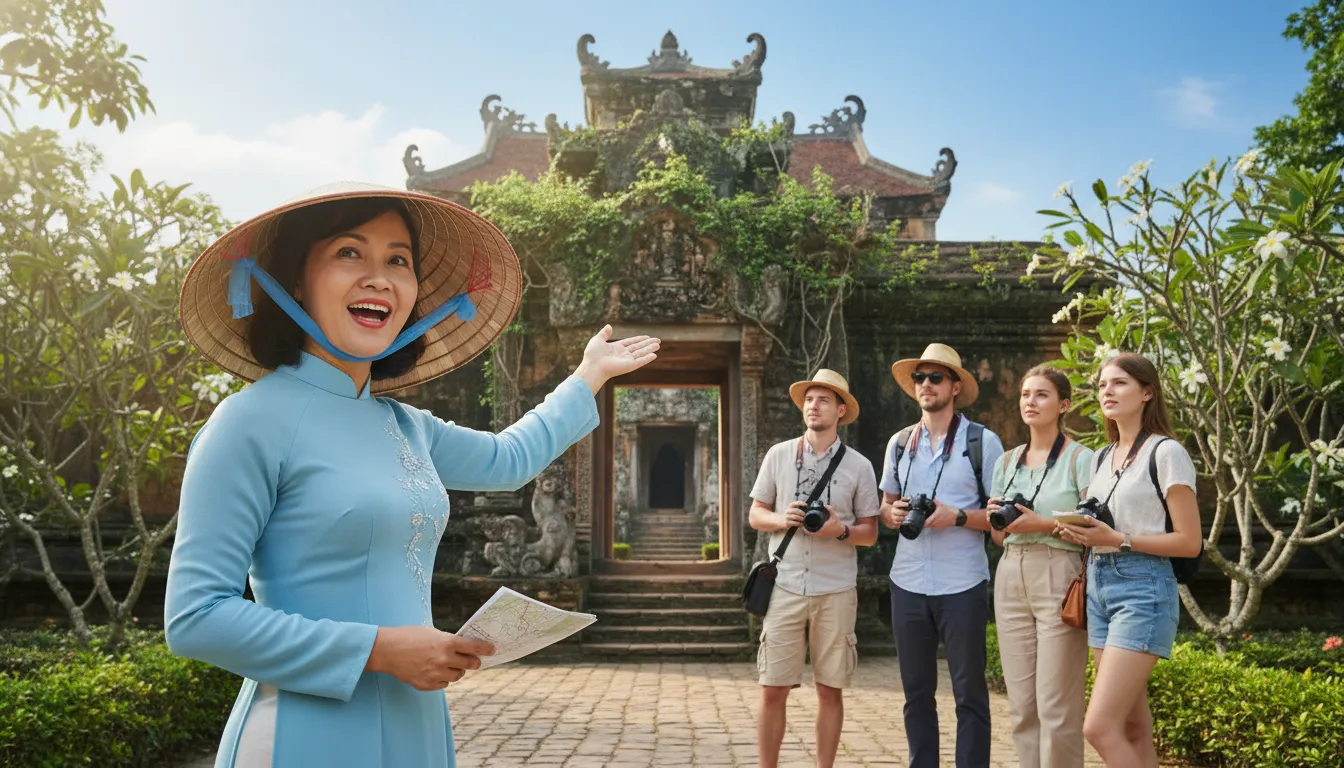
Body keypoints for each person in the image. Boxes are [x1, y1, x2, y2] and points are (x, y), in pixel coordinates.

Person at [164, 182, 660, 768]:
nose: (379, 277)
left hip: (415, 722)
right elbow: (195, 618)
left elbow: (508, 460)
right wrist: (378, 649)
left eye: (398, 260)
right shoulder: (249, 421)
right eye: (350, 252)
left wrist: (587, 378)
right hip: (304, 732)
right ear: (296, 281)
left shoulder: (406, 425)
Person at [1056, 352, 1201, 767]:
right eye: (1102, 384)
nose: (1107, 391)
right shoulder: (1102, 457)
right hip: (1100, 587)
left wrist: (1117, 539)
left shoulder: (1167, 452)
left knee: (1098, 728)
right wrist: (1080, 531)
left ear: (1147, 392)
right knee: (1132, 727)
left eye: (1119, 383)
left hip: (1143, 589)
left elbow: (1189, 542)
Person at [878, 342, 1004, 768]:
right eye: (920, 378)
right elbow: (884, 506)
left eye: (935, 377)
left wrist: (956, 517)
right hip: (908, 580)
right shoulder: (898, 444)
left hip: (962, 581)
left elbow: (1000, 518)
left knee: (969, 693)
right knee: (915, 694)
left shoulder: (982, 442)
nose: (926, 385)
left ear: (955, 386)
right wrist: (892, 513)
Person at [747, 369, 881, 768]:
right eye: (808, 399)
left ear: (841, 410)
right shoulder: (779, 454)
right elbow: (755, 513)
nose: (813, 405)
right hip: (785, 585)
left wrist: (840, 530)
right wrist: (781, 520)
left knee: (830, 689)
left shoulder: (858, 466)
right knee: (772, 688)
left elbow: (870, 532)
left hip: (836, 588)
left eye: (823, 400)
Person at [987, 365, 1094, 768]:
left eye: (1042, 395)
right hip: (1011, 571)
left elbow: (1092, 528)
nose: (1030, 402)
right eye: (1025, 394)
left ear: (1063, 404)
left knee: (1056, 703)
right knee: (1021, 704)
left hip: (1058, 571)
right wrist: (999, 519)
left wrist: (1044, 523)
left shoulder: (1081, 459)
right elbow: (998, 536)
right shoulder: (1007, 461)